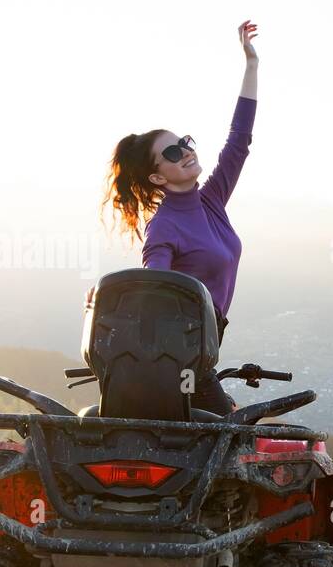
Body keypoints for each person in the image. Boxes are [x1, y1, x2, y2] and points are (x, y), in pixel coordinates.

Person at [99, 20, 259, 414]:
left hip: (204, 351)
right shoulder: (164, 226)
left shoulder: (212, 201)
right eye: (172, 153)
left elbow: (239, 140)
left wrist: (251, 66)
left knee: (227, 432)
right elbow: (154, 289)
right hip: (182, 358)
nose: (186, 152)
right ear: (157, 176)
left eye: (184, 142)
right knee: (232, 439)